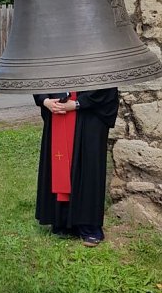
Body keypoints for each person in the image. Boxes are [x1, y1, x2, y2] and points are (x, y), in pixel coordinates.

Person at [33, 89, 119, 246]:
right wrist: (45, 101)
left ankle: (89, 226)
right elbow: (39, 76)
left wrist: (78, 104)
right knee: (59, 163)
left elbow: (106, 86)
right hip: (57, 111)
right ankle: (63, 221)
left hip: (90, 115)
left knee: (89, 167)